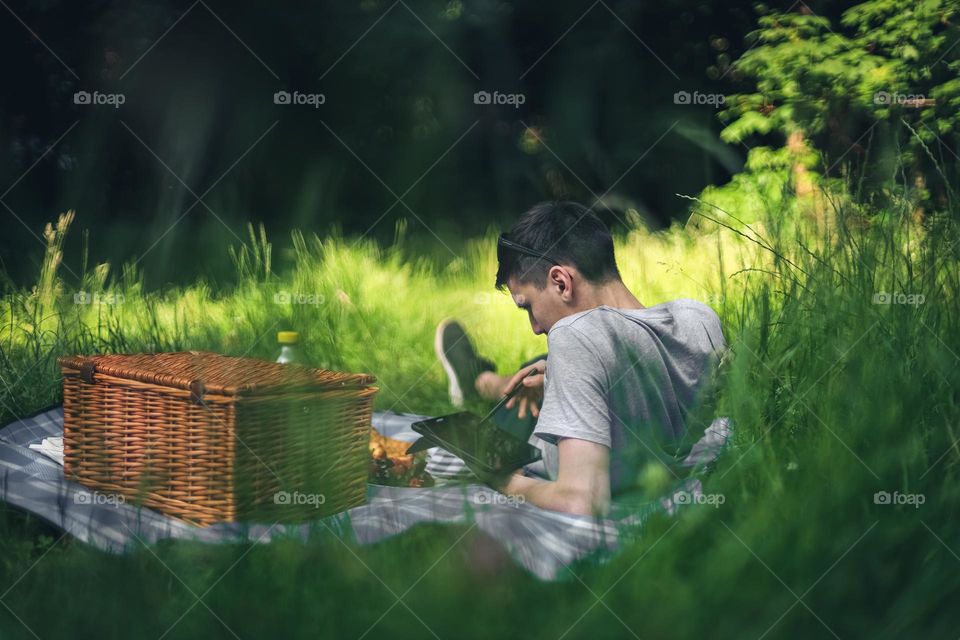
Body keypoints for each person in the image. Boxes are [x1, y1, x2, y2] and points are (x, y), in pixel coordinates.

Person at [434, 201, 728, 517]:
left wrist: (504, 480)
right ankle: (483, 381)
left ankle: (479, 380)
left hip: (541, 436)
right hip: (591, 387)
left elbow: (582, 501)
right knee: (539, 367)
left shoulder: (575, 337)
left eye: (527, 306)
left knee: (527, 381)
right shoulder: (698, 318)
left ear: (561, 282)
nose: (534, 326)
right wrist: (557, 377)